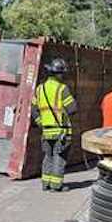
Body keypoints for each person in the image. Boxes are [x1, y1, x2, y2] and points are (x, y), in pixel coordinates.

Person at [31, 58, 77, 191]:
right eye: (62, 73)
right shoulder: (62, 89)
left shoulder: (40, 89)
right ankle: (56, 185)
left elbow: (34, 109)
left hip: (46, 131)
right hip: (61, 132)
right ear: (58, 74)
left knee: (48, 156)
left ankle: (46, 184)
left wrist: (41, 123)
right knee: (59, 157)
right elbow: (72, 109)